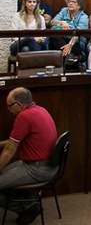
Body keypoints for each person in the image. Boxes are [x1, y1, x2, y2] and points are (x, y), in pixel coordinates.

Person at [0, 88, 57, 225]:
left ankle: (26, 207)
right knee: (4, 175)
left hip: (36, 169)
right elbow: (17, 140)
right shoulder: (40, 110)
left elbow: (10, 149)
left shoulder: (24, 116)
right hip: (45, 164)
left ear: (19, 105)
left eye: (9, 106)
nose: (8, 109)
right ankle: (29, 203)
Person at [49, 0, 88, 70]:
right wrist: (62, 23)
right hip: (61, 38)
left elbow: (78, 33)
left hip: (76, 41)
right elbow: (52, 22)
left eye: (74, 2)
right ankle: (69, 57)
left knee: (61, 41)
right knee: (54, 35)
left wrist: (70, 45)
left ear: (79, 6)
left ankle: (68, 57)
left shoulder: (83, 16)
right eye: (70, 1)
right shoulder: (64, 11)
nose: (70, 3)